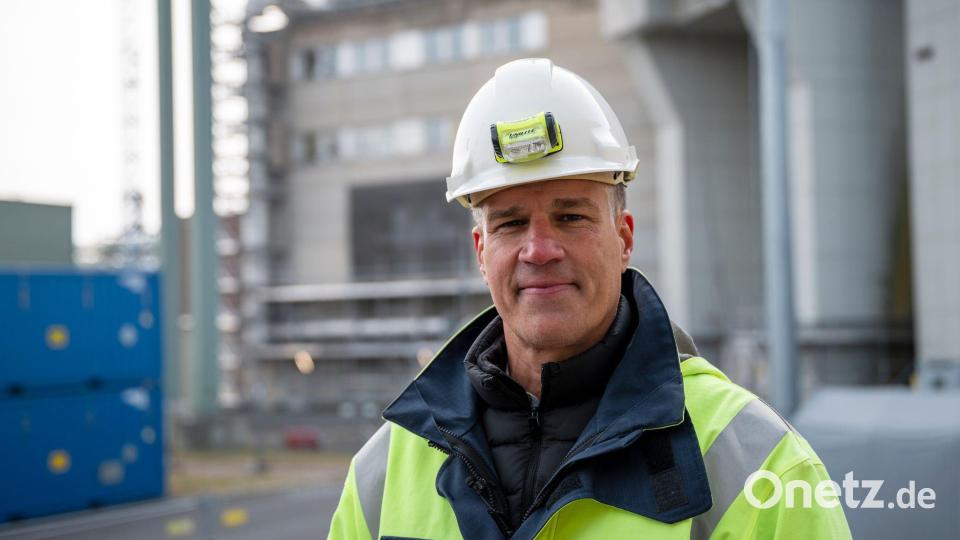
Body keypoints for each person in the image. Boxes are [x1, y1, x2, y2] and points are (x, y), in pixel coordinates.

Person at [328, 58, 851, 539]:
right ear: (481, 252)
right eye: (510, 223)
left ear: (624, 237)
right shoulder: (383, 474)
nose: (539, 249)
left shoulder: (758, 465)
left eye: (570, 216)